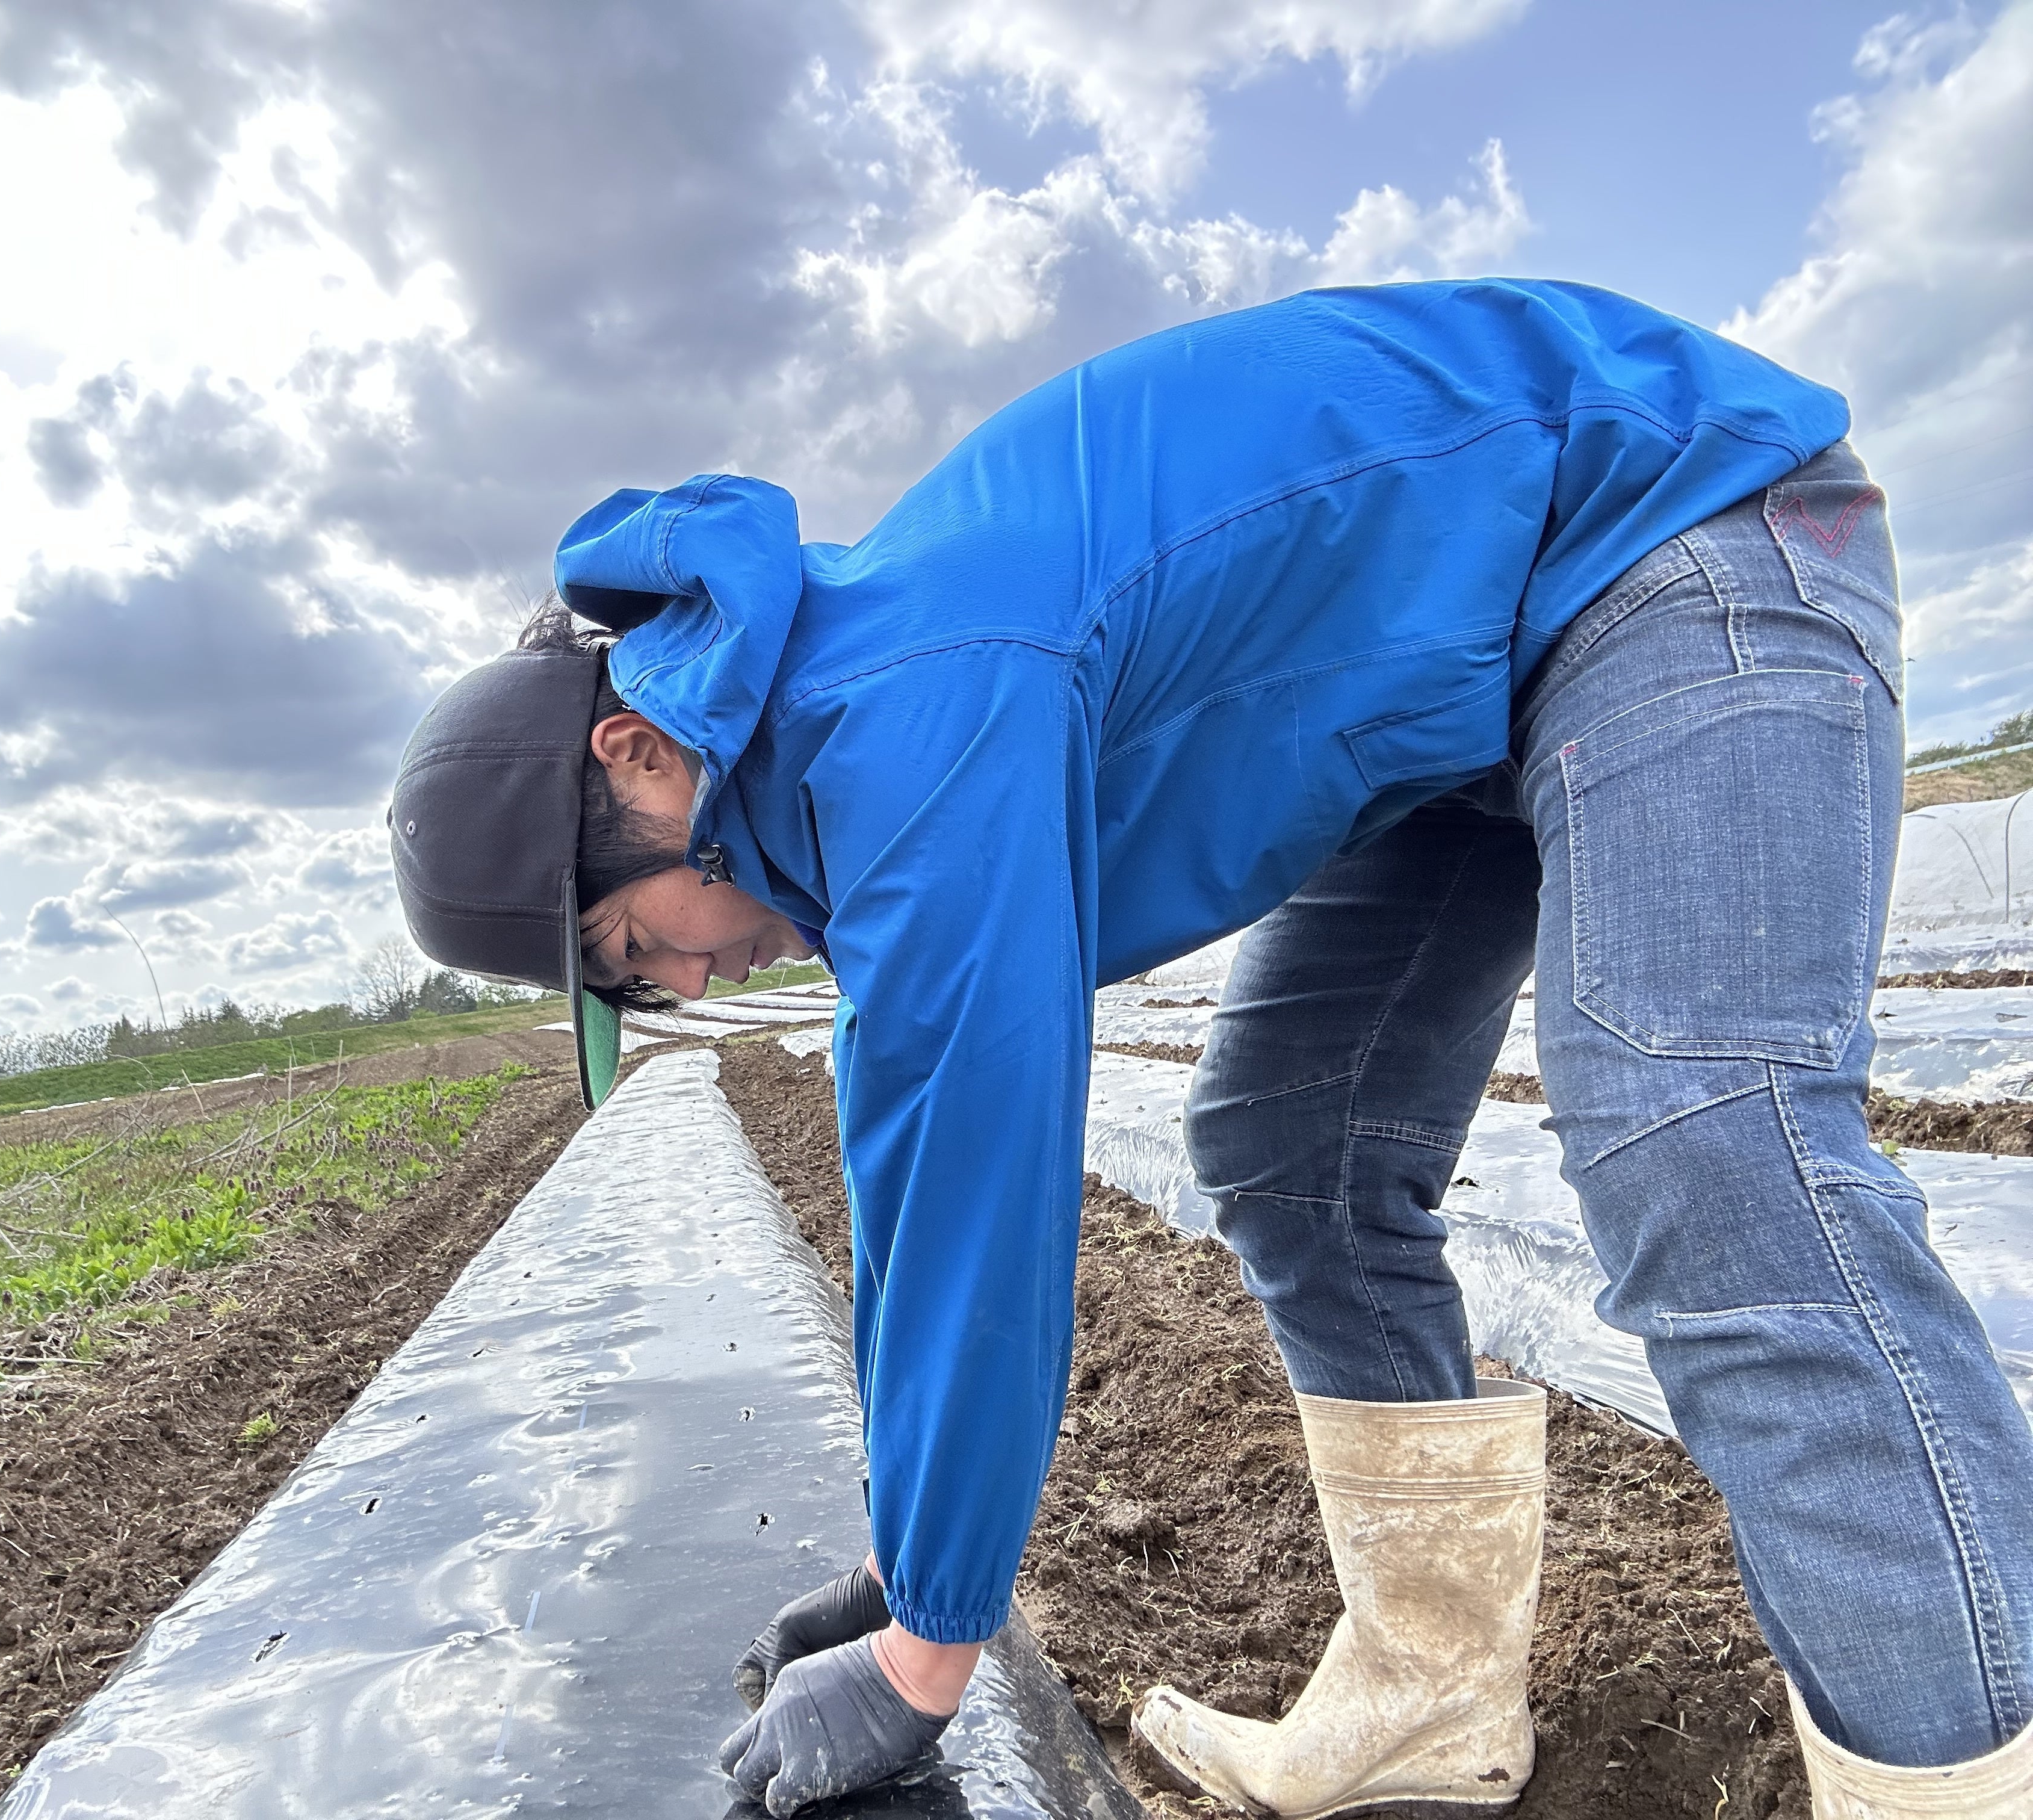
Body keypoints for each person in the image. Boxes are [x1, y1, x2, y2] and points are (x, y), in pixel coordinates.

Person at [387, 278, 2033, 1819]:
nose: (687, 977)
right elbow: (898, 1170)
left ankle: (1959, 1779)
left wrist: (927, 1657)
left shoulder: (900, 709)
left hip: (1670, 535)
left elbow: (979, 1186)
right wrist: (905, 1563)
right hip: (1468, 686)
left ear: (642, 757)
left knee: (1708, 1143)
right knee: (1291, 1139)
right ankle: (1433, 1695)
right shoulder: (825, 770)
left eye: (635, 949)